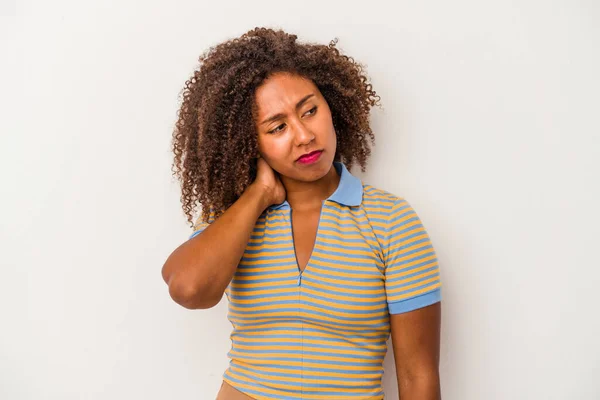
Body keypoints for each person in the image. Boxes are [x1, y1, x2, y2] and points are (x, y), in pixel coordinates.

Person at [162, 27, 442, 400]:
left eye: (310, 111)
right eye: (277, 127)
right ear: (249, 141)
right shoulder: (234, 219)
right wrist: (258, 194)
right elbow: (188, 288)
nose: (304, 135)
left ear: (332, 107)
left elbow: (417, 376)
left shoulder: (391, 222)